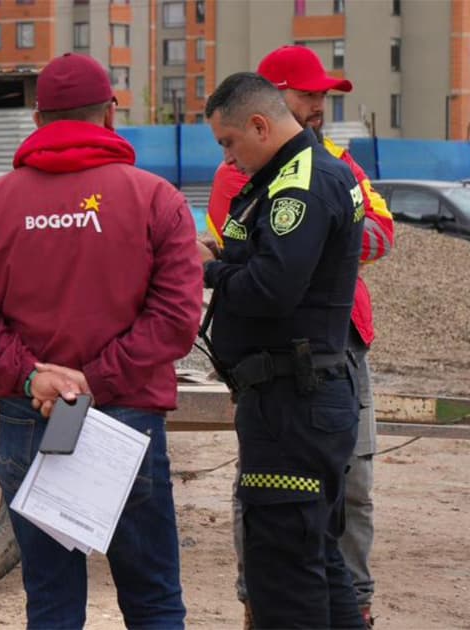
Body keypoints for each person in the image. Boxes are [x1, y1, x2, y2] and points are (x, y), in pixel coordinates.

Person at [0, 52, 201, 629]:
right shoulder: (156, 199)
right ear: (110, 114)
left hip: (29, 418)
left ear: (37, 121)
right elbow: (177, 318)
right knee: (153, 597)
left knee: (53, 603)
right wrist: (98, 379)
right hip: (125, 423)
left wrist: (37, 376)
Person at [205, 45, 394, 629]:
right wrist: (220, 259)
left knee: (284, 568)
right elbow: (255, 260)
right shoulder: (281, 175)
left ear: (259, 124)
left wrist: (205, 270)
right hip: (292, 396)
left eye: (230, 143)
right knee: (314, 556)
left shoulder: (302, 181)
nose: (228, 156)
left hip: (295, 400)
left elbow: (271, 288)